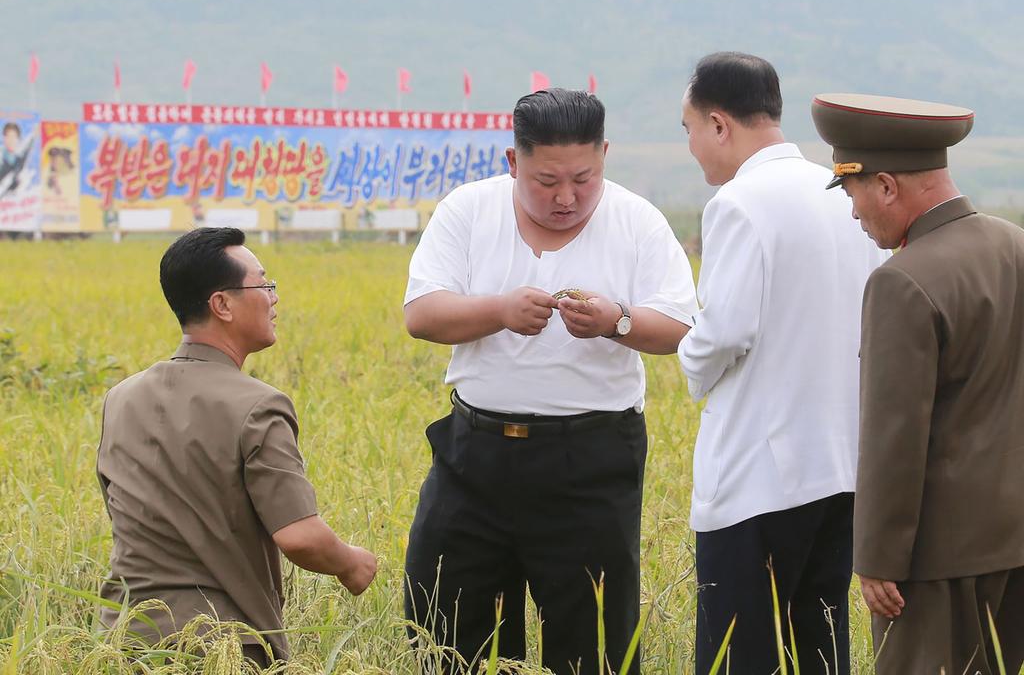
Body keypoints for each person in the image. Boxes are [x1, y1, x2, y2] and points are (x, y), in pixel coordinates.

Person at [402, 88, 698, 675]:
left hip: (589, 460)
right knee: (447, 625)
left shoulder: (636, 221)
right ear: (513, 162)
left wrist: (618, 321)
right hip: (474, 456)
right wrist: (500, 311)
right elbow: (422, 313)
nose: (566, 197)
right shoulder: (469, 210)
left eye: (582, 179)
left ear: (605, 155)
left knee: (593, 641)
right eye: (546, 181)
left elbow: (679, 326)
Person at [677, 53, 887, 674]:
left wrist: (689, 357)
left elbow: (721, 333)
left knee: (742, 656)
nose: (691, 148)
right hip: (840, 468)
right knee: (820, 650)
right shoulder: (841, 192)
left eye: (688, 129)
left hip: (757, 478)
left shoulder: (740, 203)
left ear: (719, 124)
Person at [96, 227, 378, 664]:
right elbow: (300, 536)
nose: (273, 297)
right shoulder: (259, 406)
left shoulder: (121, 397)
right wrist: (351, 563)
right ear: (222, 304)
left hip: (126, 642)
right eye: (264, 283)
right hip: (223, 646)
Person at [814, 92, 1024, 675]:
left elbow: (893, 436)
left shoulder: (902, 281)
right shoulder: (1015, 246)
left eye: (854, 195)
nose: (855, 214)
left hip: (933, 561)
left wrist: (878, 557)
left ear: (885, 186)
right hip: (1013, 540)